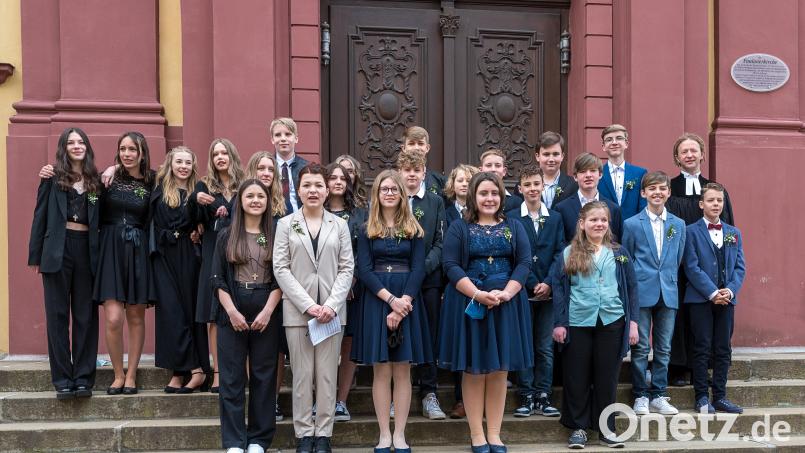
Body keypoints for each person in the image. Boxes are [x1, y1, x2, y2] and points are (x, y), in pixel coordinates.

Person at [439, 172, 533, 453]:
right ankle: (477, 434)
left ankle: (495, 434)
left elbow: (525, 262)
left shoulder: (514, 227)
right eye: (483, 193)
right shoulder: (459, 228)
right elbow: (451, 265)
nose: (489, 198)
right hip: (471, 304)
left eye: (494, 193)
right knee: (474, 369)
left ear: (501, 196)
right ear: (473, 197)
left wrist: (508, 292)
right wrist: (478, 294)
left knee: (498, 370)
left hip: (507, 304)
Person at [273, 164, 354, 453]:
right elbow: (281, 268)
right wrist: (309, 305)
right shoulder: (286, 224)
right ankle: (304, 434)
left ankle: (324, 434)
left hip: (332, 315)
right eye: (307, 185)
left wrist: (331, 305)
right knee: (303, 376)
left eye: (318, 185)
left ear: (327, 188)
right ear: (299, 188)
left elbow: (347, 268)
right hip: (298, 314)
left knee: (327, 375)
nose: (313, 190)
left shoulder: (339, 225)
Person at [352, 169, 432, 453]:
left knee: (402, 371)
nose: (389, 193)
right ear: (377, 194)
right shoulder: (366, 229)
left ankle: (400, 433)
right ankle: (384, 434)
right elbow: (363, 269)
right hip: (376, 300)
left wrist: (404, 302)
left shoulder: (414, 230)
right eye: (384, 189)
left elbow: (419, 267)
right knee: (381, 371)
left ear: (401, 194)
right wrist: (390, 300)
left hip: (408, 299)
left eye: (393, 189)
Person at [552, 201, 639, 449]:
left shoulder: (619, 252)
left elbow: (631, 287)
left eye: (603, 220)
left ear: (608, 223)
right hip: (578, 321)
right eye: (593, 220)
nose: (598, 224)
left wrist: (632, 323)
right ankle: (578, 428)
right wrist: (560, 323)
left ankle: (606, 429)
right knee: (576, 376)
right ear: (582, 223)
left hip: (612, 320)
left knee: (607, 377)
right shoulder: (569, 253)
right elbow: (559, 290)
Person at [28, 127, 101, 399]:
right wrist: (35, 255)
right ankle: (61, 379)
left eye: (81, 141)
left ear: (87, 147)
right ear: (64, 147)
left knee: (85, 316)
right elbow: (40, 216)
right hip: (56, 251)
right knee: (57, 316)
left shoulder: (96, 181)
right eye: (71, 142)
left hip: (87, 251)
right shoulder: (52, 177)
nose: (77, 145)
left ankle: (83, 378)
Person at [211, 179, 283, 453]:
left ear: (267, 201)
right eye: (249, 196)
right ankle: (234, 441)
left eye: (260, 196)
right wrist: (231, 312)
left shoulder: (277, 234)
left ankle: (258, 440)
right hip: (233, 307)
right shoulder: (226, 235)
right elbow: (216, 279)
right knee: (231, 377)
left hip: (268, 306)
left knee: (264, 376)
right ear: (240, 201)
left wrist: (267, 310)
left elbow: (283, 277)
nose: (255, 200)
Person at [666, 132, 735, 386]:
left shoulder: (716, 190)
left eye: (694, 150)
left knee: (708, 315)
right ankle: (680, 367)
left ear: (702, 155)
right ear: (677, 157)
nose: (689, 155)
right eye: (684, 151)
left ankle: (704, 367)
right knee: (680, 313)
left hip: (711, 267)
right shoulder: (669, 188)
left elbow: (727, 227)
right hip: (680, 265)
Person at [94, 131, 156, 395]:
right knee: (113, 318)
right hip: (110, 248)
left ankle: (131, 375)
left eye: (133, 149)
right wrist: (112, 167)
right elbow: (91, 203)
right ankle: (117, 374)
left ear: (142, 152)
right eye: (123, 149)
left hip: (138, 248)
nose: (127, 154)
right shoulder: (107, 178)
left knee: (135, 315)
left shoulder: (153, 180)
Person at [621, 171, 686, 416]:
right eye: (652, 188)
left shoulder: (678, 225)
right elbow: (627, 259)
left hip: (668, 291)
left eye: (662, 188)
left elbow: (677, 258)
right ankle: (640, 394)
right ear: (643, 193)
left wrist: (666, 277)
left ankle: (659, 393)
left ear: (669, 192)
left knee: (664, 347)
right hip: (641, 291)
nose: (657, 192)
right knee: (640, 347)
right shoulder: (632, 224)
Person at [506, 165, 564, 419]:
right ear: (520, 189)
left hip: (549, 292)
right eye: (527, 185)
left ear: (543, 187)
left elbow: (561, 252)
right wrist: (531, 282)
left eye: (536, 184)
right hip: (522, 290)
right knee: (525, 344)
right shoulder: (512, 217)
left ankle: (544, 393)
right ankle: (526, 393)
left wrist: (549, 282)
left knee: (544, 346)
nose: (532, 189)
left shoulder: (555, 217)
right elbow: (514, 253)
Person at [682, 183, 746, 414]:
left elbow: (739, 268)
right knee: (701, 347)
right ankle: (701, 397)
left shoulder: (733, 233)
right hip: (700, 299)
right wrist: (711, 293)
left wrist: (729, 291)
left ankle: (720, 396)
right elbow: (691, 266)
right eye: (711, 200)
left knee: (723, 348)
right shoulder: (690, 231)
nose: (716, 204)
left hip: (727, 299)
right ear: (701, 204)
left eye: (719, 200)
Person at [150, 146, 209, 393]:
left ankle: (194, 370)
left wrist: (199, 227)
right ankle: (180, 369)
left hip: (188, 253)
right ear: (170, 164)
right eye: (179, 162)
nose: (183, 166)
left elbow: (205, 218)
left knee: (188, 312)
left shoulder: (199, 189)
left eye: (188, 162)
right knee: (170, 313)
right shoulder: (160, 189)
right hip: (164, 255)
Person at [189, 138, 245, 393]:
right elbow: (195, 221)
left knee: (242, 312)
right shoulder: (204, 186)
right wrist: (197, 203)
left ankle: (242, 371)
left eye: (224, 153)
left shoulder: (244, 184)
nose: (220, 157)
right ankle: (219, 373)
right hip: (213, 253)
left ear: (232, 156)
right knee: (214, 316)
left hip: (241, 254)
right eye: (215, 154)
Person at [396, 150, 447, 420]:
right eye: (407, 170)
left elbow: (440, 242)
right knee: (399, 336)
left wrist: (421, 270)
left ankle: (429, 392)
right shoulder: (390, 200)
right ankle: (397, 395)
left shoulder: (435, 202)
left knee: (428, 337)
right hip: (396, 283)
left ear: (424, 173)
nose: (412, 175)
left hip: (428, 282)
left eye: (417, 170)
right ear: (400, 172)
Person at [245, 150, 289, 421]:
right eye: (260, 168)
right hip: (250, 287)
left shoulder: (283, 211)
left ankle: (272, 398)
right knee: (252, 345)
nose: (265, 173)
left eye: (270, 170)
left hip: (279, 285)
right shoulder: (246, 203)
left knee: (277, 348)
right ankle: (256, 396)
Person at [325, 161, 368, 423]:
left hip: (353, 290)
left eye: (343, 178)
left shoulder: (360, 214)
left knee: (348, 343)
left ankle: (341, 401)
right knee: (325, 345)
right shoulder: (315, 211)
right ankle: (324, 400)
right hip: (320, 293)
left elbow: (362, 253)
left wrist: (348, 285)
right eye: (333, 177)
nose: (339, 181)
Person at [439, 163, 479, 418]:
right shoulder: (444, 212)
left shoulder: (484, 213)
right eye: (460, 180)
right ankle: (460, 399)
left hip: (480, 284)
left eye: (469, 180)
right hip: (452, 284)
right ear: (452, 185)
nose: (464, 183)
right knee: (460, 344)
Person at [554, 153, 623, 242]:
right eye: (583, 171)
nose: (588, 175)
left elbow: (618, 243)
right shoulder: (562, 209)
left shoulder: (614, 209)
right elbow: (560, 244)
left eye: (593, 170)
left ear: (600, 174)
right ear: (575, 177)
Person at [597, 124, 647, 220]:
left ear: (626, 144)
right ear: (603, 146)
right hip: (605, 231)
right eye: (609, 139)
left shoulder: (640, 174)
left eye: (619, 138)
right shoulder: (597, 175)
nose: (614, 142)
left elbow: (643, 208)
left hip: (632, 231)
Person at [271, 118, 310, 214]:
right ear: (272, 140)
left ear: (296, 138)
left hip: (301, 220)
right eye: (277, 135)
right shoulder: (266, 167)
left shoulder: (306, 168)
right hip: (272, 221)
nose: (283, 139)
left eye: (288, 134)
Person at [534, 132, 577, 209]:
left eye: (555, 154)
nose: (551, 159)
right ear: (537, 156)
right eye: (546, 154)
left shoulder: (573, 185)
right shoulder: (525, 185)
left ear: (562, 156)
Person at [400, 126, 446, 197]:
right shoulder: (393, 181)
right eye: (411, 143)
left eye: (420, 143)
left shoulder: (439, 181)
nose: (416, 148)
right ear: (404, 148)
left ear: (427, 148)